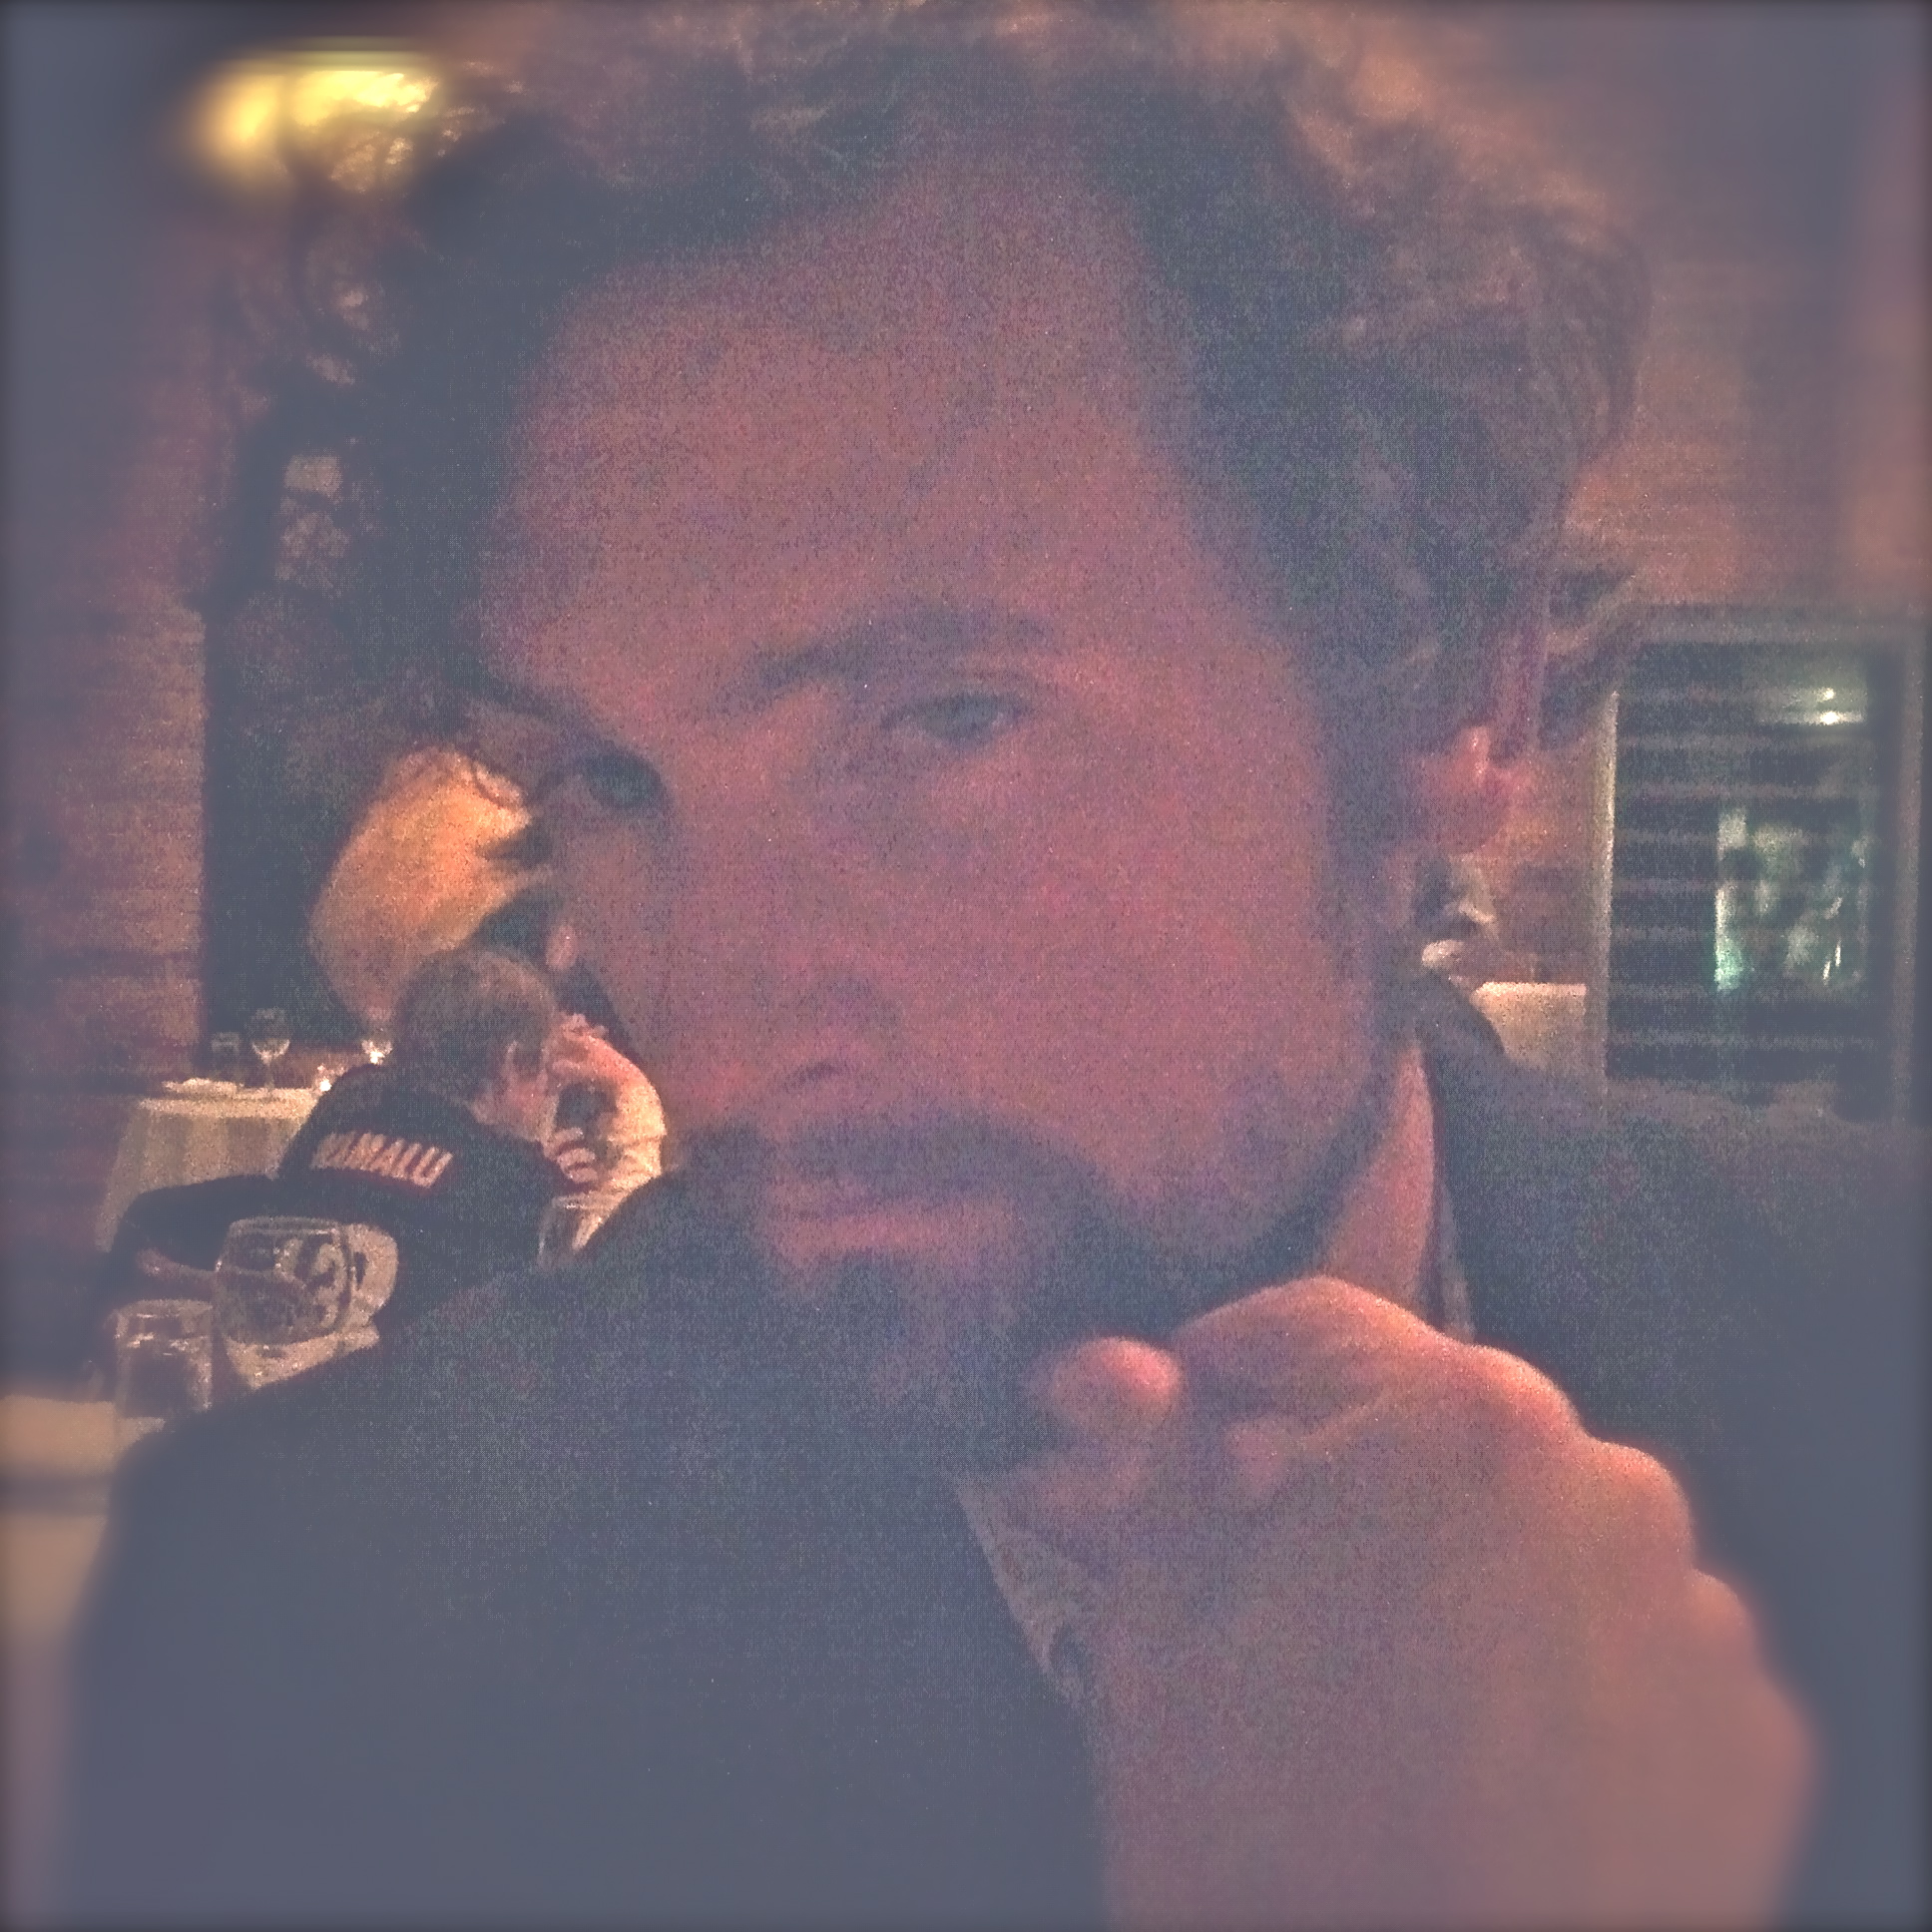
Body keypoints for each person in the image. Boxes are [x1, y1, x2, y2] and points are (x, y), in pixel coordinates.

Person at [61, 7, 1920, 1926]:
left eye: (945, 721)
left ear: (1459, 687)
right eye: (610, 779)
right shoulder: (307, 1623)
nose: (730, 1034)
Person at [275, 944, 664, 1331]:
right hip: (417, 1368)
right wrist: (634, 1090)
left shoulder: (347, 1099)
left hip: (292, 1356)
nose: (550, 1085)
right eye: (546, 1067)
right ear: (511, 1059)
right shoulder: (516, 1183)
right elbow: (623, 1277)